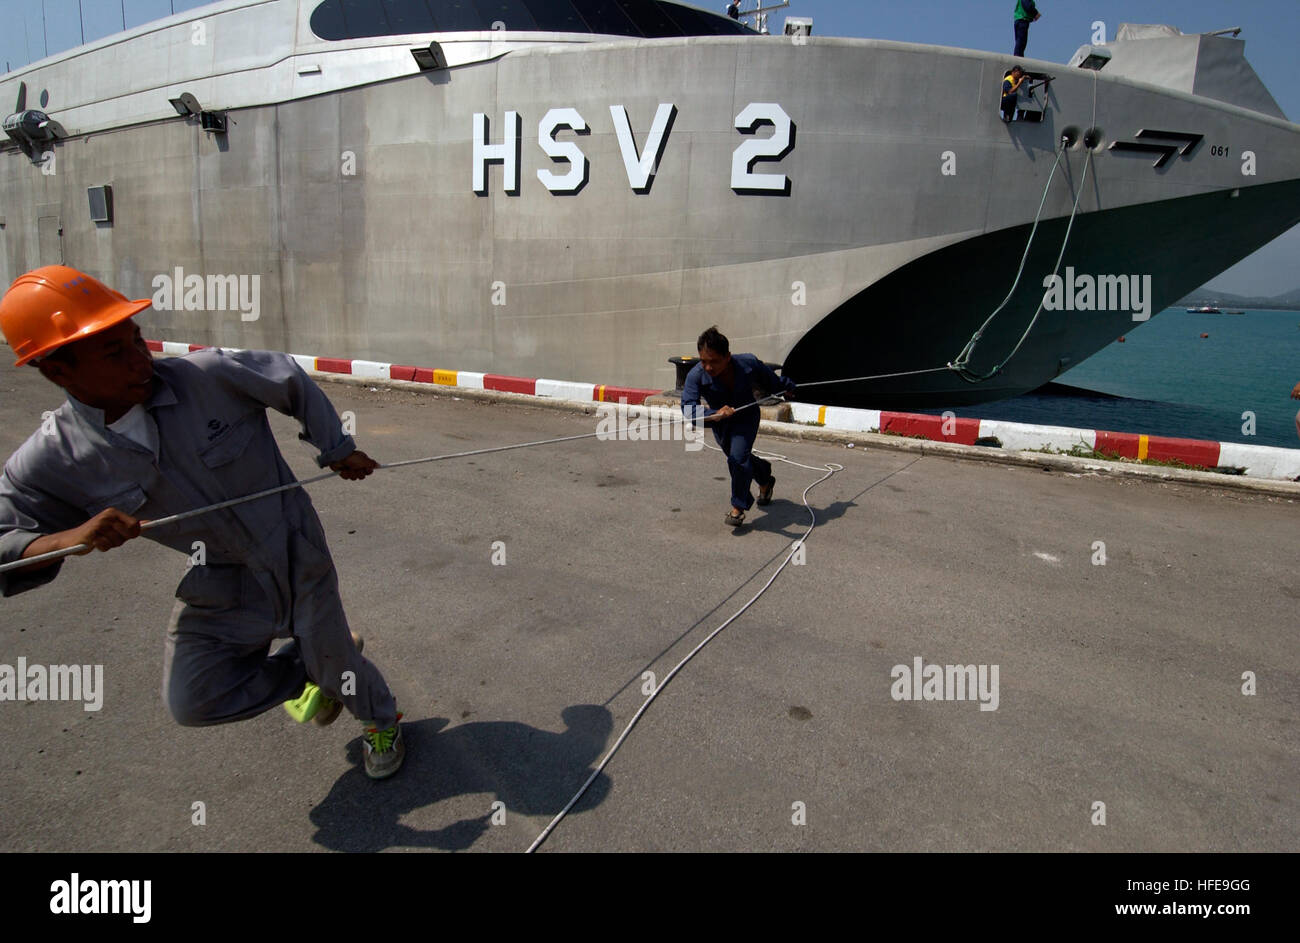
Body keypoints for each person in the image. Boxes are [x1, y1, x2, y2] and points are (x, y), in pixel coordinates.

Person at [0, 265, 405, 779]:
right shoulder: (52, 459)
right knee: (193, 698)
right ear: (59, 372)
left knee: (337, 662)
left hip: (292, 545)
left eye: (135, 339)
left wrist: (337, 448)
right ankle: (316, 665)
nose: (139, 358)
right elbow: (6, 540)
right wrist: (69, 538)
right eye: (113, 353)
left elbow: (288, 378)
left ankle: (379, 718)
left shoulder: (208, 375)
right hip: (219, 573)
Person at [681, 326, 796, 527]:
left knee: (737, 459)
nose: (708, 367)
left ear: (727, 357)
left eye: (714, 362)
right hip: (720, 422)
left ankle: (738, 508)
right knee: (740, 460)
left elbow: (771, 381)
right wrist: (714, 414)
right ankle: (764, 476)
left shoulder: (748, 363)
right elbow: (689, 409)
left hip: (746, 417)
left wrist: (786, 387)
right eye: (703, 361)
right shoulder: (696, 375)